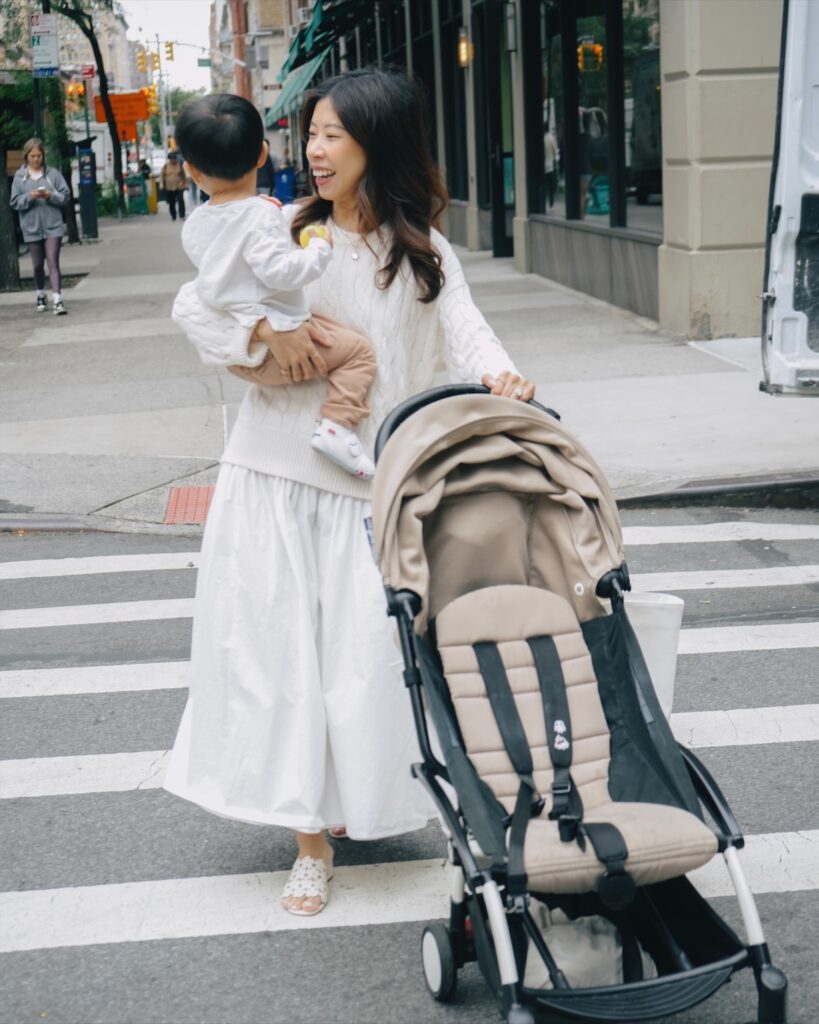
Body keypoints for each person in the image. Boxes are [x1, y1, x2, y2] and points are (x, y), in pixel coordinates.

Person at [164, 68, 536, 918]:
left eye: (334, 133)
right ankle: (308, 842)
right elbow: (196, 306)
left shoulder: (423, 253)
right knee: (280, 663)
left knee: (366, 667)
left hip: (369, 482)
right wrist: (257, 333)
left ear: (379, 142)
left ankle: (373, 800)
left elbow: (464, 327)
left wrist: (500, 374)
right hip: (274, 475)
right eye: (312, 134)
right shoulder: (286, 232)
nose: (316, 150)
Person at [174, 93, 376, 479]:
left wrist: (276, 217)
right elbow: (280, 272)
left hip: (242, 354)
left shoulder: (197, 224)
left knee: (328, 331)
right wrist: (317, 249)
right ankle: (338, 426)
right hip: (275, 348)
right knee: (359, 354)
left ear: (192, 171)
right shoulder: (261, 217)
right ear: (262, 155)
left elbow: (232, 257)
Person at [9, 137, 70, 315]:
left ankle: (58, 300)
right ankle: (40, 294)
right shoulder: (20, 178)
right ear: (26, 156)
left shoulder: (53, 175)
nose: (36, 159)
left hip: (53, 226)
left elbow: (65, 196)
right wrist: (31, 196)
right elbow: (14, 202)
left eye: (39, 156)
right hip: (31, 227)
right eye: (32, 156)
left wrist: (50, 195)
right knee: (37, 265)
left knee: (52, 261)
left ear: (43, 156)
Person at [159, 151, 187, 221]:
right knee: (172, 202)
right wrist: (161, 183)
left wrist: (185, 183)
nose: (173, 160)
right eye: (171, 159)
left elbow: (183, 176)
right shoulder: (166, 166)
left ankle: (182, 215)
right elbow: (162, 176)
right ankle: (173, 215)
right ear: (169, 159)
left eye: (174, 159)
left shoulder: (179, 165)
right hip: (169, 187)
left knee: (181, 200)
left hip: (179, 186)